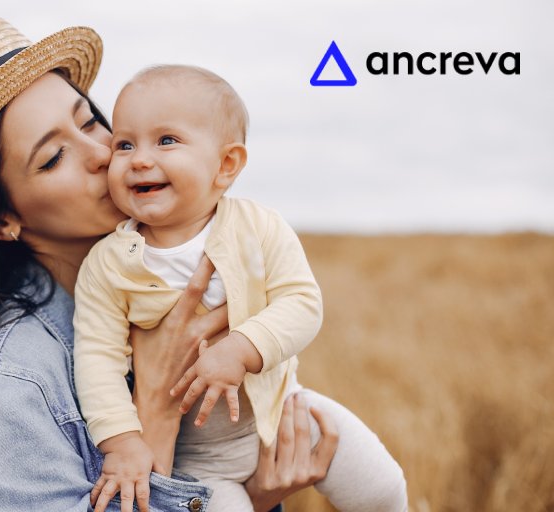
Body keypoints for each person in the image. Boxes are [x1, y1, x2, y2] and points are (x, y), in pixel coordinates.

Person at [0, 16, 339, 512]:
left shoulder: (182, 274)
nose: (105, 153)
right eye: (55, 156)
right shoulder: (10, 384)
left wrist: (254, 495)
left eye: (91, 122)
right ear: (1, 218)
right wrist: (158, 414)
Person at [72, 65, 408, 512]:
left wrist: (240, 349)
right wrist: (121, 443)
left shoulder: (258, 227)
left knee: (382, 488)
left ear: (226, 165)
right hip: (200, 459)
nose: (139, 159)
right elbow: (96, 360)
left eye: (166, 140)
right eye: (124, 144)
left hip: (284, 411)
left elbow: (302, 303)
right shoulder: (108, 264)